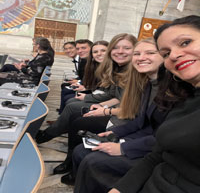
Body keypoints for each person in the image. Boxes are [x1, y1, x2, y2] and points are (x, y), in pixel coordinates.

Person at [108, 15, 200, 193]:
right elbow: (159, 152)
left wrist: (123, 146)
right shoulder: (185, 97)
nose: (174, 55)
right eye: (166, 53)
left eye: (185, 42)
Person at [70, 38, 168, 191]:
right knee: (80, 150)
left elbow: (162, 137)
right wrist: (114, 132)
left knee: (92, 161)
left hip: (156, 150)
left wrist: (123, 147)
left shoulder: (171, 88)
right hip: (142, 136)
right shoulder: (149, 82)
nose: (142, 57)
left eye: (150, 53)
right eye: (138, 53)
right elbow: (140, 120)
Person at [36, 33, 137, 158]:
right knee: (72, 106)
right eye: (116, 48)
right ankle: (60, 135)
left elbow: (123, 103)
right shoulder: (115, 68)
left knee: (73, 108)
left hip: (121, 115)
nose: (120, 52)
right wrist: (99, 104)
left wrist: (103, 109)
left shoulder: (133, 73)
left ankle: (52, 135)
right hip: (113, 107)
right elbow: (112, 94)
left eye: (126, 48)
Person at [57, 39, 93, 114]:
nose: (68, 50)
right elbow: (83, 75)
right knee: (64, 85)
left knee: (66, 91)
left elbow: (89, 78)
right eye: (66, 49)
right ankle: (62, 111)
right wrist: (77, 80)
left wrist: (78, 82)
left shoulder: (84, 60)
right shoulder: (80, 59)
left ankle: (63, 112)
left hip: (89, 89)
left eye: (70, 48)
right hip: (86, 85)